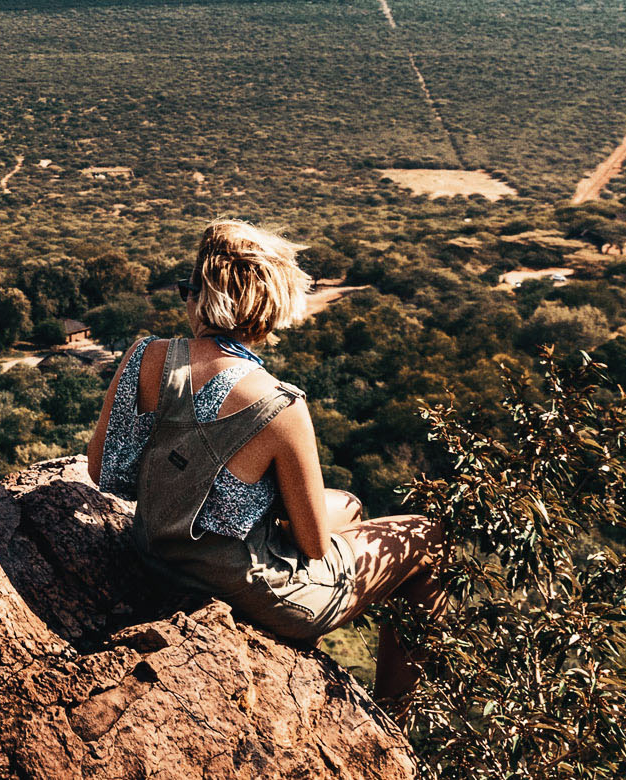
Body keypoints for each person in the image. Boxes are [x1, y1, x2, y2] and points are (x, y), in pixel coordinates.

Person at [84, 219, 444, 706]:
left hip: (156, 554)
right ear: (268, 309)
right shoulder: (278, 405)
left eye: (189, 289)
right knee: (429, 537)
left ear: (200, 296)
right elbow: (314, 544)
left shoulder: (146, 356)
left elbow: (100, 467)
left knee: (351, 505)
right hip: (241, 583)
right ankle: (397, 715)